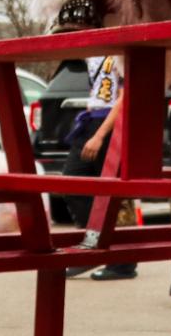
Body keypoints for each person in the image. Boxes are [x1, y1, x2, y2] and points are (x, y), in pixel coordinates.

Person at [60, 30, 136, 282]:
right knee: (72, 182)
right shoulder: (92, 50)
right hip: (90, 118)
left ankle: (121, 261)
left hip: (109, 123)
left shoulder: (120, 50)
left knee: (114, 194)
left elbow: (125, 97)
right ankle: (96, 244)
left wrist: (101, 134)